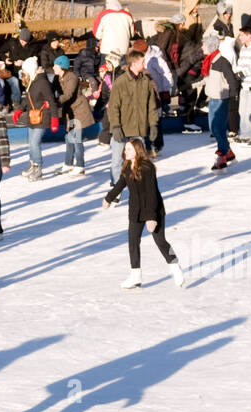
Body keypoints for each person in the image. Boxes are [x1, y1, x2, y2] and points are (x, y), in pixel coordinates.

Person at [103, 138, 184, 289]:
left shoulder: (147, 168)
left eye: (129, 149)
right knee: (133, 242)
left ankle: (175, 266)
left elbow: (152, 194)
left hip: (153, 209)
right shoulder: (127, 167)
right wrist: (109, 198)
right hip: (135, 210)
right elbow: (121, 184)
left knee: (160, 241)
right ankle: (135, 275)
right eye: (125, 149)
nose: (125, 151)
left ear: (138, 151)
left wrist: (152, 218)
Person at [106, 49, 158, 186]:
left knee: (139, 160)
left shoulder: (146, 81)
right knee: (117, 160)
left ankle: (138, 184)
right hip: (122, 128)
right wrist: (115, 126)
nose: (144, 64)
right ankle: (116, 187)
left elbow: (151, 106)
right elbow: (113, 106)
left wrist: (153, 125)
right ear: (134, 63)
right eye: (142, 62)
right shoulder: (120, 82)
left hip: (138, 129)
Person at [201, 31, 238, 171]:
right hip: (213, 99)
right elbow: (206, 80)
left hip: (221, 100)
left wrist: (233, 96)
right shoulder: (209, 61)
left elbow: (232, 79)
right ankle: (228, 152)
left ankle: (222, 155)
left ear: (210, 46)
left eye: (203, 45)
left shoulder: (222, 62)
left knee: (217, 128)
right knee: (215, 128)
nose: (202, 47)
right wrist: (190, 85)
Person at [56, 55, 92, 176]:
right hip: (71, 112)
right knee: (69, 138)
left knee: (76, 139)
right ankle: (68, 163)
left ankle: (80, 165)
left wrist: (55, 101)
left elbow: (69, 94)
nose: (53, 67)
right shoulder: (60, 78)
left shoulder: (71, 77)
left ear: (61, 67)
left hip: (79, 111)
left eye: (56, 65)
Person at [93, 0, 134, 65]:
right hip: (123, 49)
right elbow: (132, 33)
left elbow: (97, 34)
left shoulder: (103, 15)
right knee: (122, 71)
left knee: (106, 70)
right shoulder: (128, 15)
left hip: (107, 49)